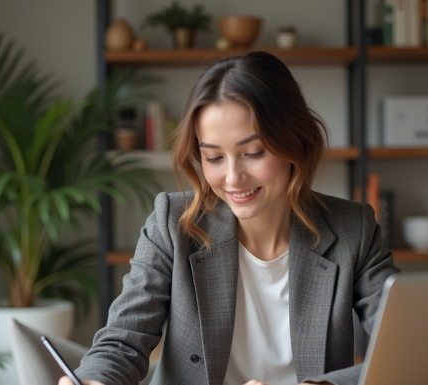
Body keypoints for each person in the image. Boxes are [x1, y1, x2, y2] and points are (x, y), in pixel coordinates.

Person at [60, 51, 400, 385]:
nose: (233, 177)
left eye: (253, 153)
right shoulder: (172, 222)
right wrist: (94, 381)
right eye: (214, 157)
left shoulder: (352, 229)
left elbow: (406, 349)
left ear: (296, 141)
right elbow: (124, 339)